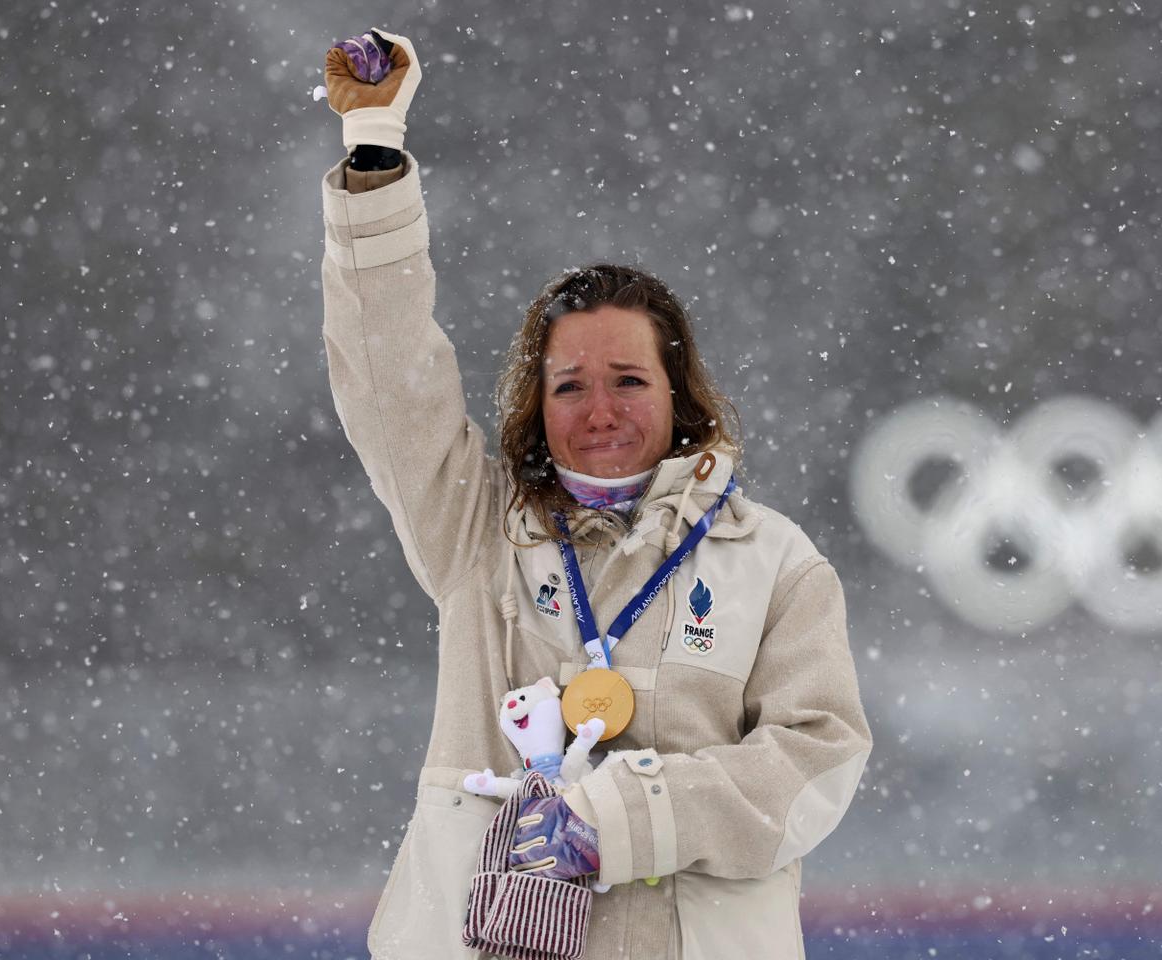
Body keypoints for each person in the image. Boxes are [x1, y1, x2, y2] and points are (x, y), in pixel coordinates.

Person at [320, 27, 871, 960]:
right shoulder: (477, 531)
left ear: (679, 392)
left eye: (628, 379)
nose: (600, 408)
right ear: (537, 406)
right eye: (569, 384)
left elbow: (816, 763)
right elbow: (389, 382)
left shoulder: (773, 561)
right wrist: (374, 154)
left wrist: (622, 819)